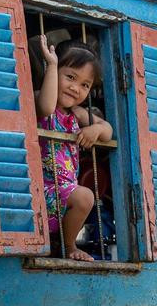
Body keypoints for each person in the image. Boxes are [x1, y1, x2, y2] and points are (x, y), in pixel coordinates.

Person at [35, 36, 113, 261]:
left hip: (64, 195)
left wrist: (95, 131)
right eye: (70, 77)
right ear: (53, 73)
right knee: (85, 196)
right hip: (42, 191)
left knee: (84, 197)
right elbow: (47, 107)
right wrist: (51, 64)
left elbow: (108, 131)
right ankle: (68, 246)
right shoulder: (39, 99)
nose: (75, 88)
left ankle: (66, 244)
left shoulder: (76, 114)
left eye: (85, 85)